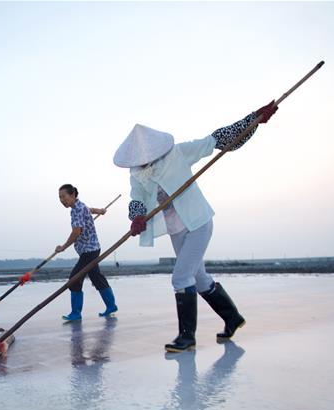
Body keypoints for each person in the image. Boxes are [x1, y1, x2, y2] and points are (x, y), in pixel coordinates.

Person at [113, 101, 278, 351]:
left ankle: (187, 337)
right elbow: (136, 198)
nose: (143, 161)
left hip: (198, 222)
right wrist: (136, 217)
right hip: (176, 229)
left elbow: (216, 140)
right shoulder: (137, 174)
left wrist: (252, 120)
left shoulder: (177, 154)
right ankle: (233, 318)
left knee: (181, 276)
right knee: (199, 279)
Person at [55, 184, 118, 321]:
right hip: (92, 249)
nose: (62, 200)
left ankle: (76, 313)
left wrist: (63, 247)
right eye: (60, 198)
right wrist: (100, 210)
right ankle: (111, 305)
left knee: (74, 280)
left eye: (64, 197)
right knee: (96, 277)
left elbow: (76, 232)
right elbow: (89, 210)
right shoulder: (79, 206)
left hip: (89, 251)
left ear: (73, 195)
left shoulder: (77, 210)